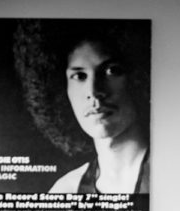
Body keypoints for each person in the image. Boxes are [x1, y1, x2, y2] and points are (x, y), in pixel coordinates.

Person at [14, 20, 151, 194]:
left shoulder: (175, 171)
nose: (94, 92)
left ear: (139, 78)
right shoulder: (64, 191)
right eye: (79, 76)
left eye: (111, 71)